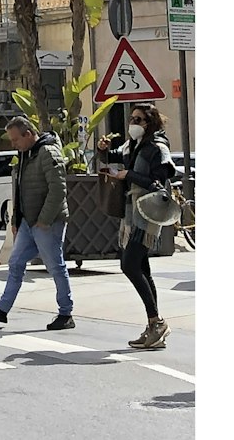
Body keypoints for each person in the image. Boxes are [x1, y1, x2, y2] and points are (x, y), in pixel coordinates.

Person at [0, 115, 75, 331]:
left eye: (15, 139)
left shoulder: (47, 152)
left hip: (46, 222)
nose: (13, 144)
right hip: (29, 222)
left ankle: (65, 313)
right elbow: (20, 189)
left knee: (55, 266)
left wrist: (44, 220)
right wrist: (17, 220)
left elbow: (58, 189)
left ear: (28, 134)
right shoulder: (26, 154)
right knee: (15, 263)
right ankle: (2, 309)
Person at [98, 103, 176, 350]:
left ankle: (157, 322)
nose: (133, 123)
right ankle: (154, 325)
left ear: (150, 123)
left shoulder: (157, 148)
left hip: (147, 212)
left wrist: (127, 175)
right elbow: (116, 159)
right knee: (142, 267)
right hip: (132, 213)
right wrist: (104, 150)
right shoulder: (132, 146)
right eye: (131, 118)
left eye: (138, 119)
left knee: (129, 264)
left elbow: (158, 183)